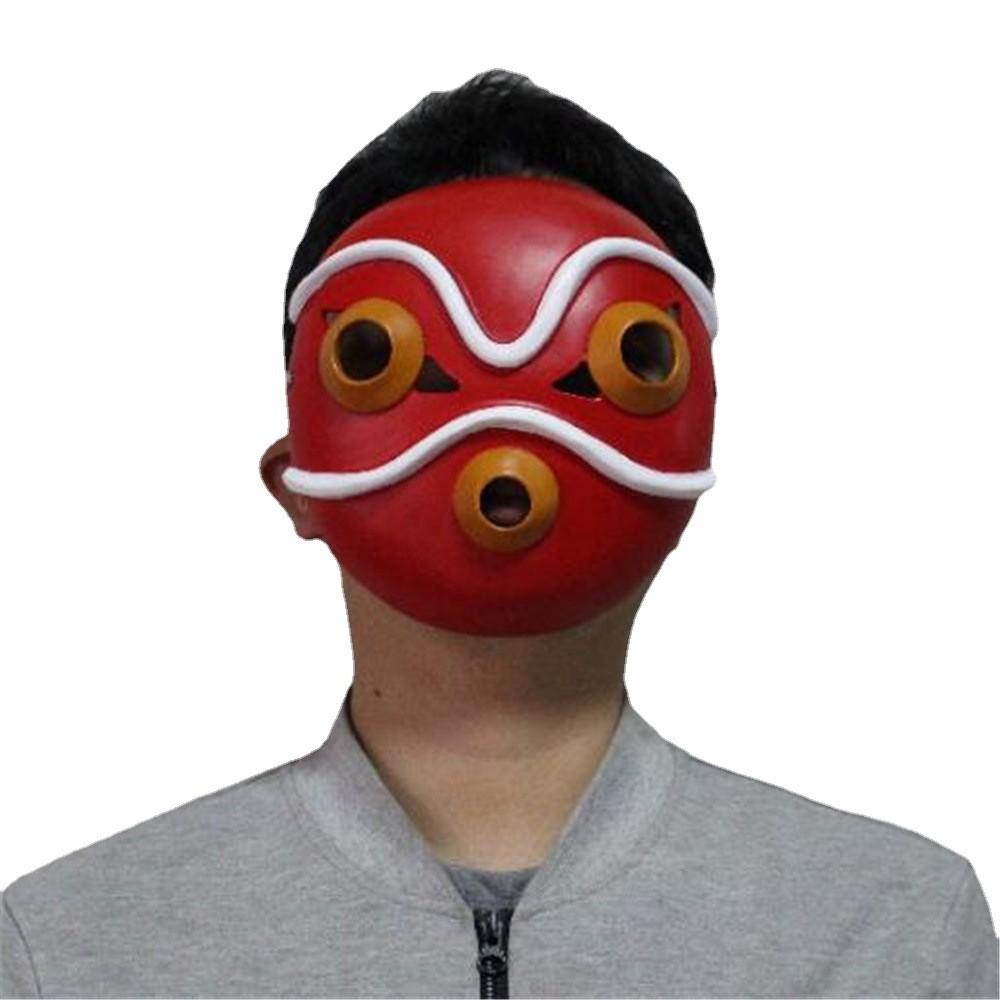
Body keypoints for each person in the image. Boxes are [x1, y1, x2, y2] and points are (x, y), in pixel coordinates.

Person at [1, 70, 996, 1000]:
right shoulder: (73, 951)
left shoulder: (898, 934)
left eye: (621, 363)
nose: (507, 443)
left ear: (686, 472)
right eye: (380, 360)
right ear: (296, 482)